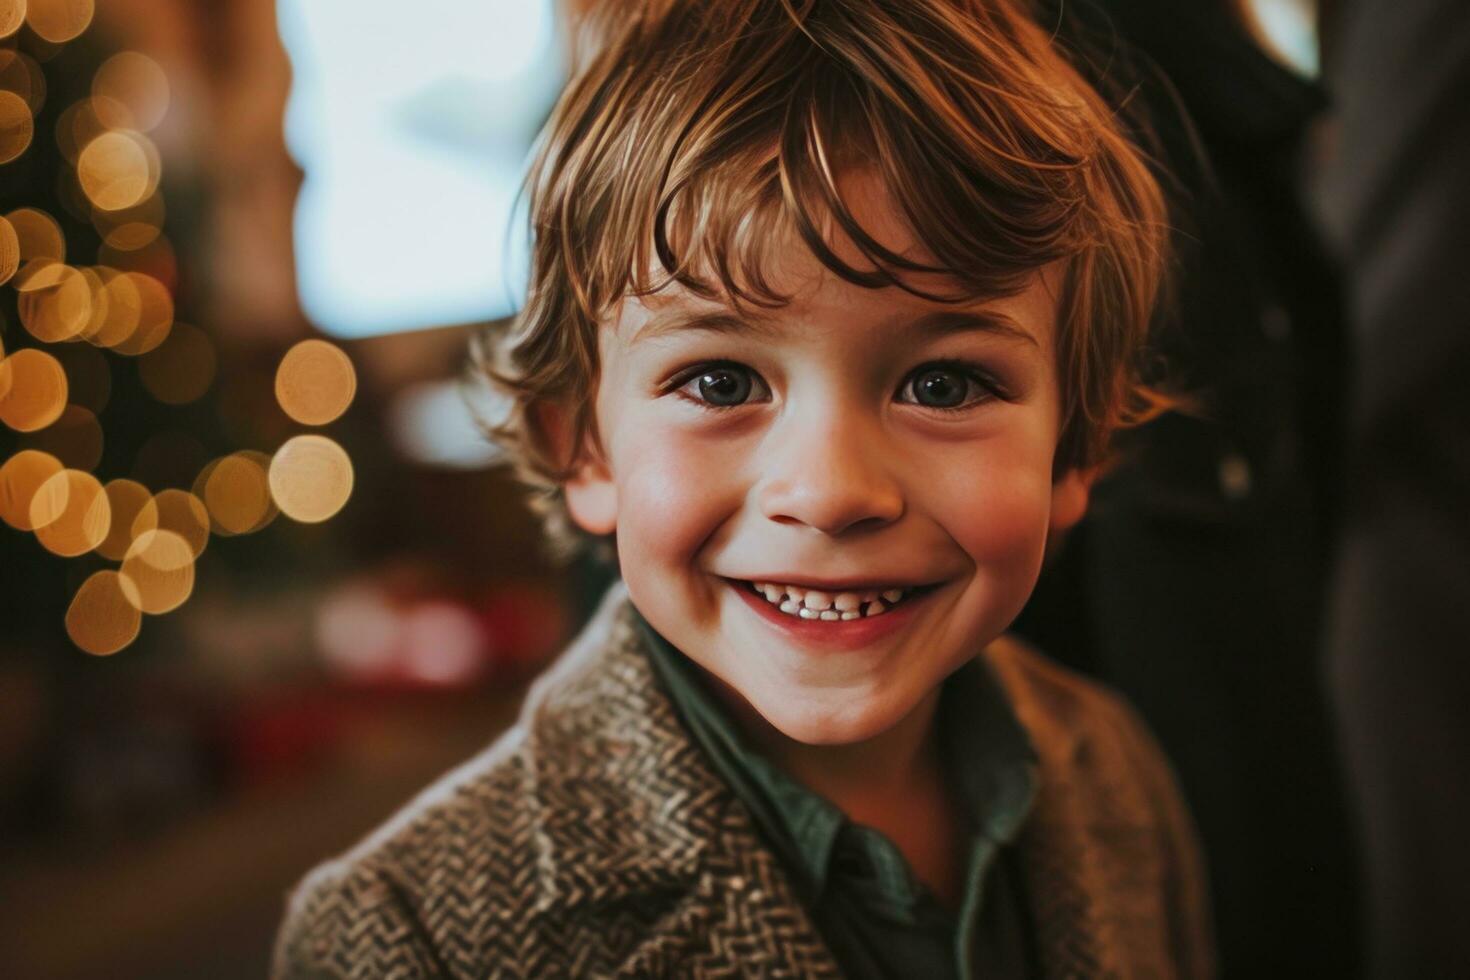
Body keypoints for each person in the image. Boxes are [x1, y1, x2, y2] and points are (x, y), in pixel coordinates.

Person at [273, 1, 1214, 976]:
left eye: (943, 383)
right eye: (721, 382)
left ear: (1075, 446)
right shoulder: (405, 940)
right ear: (582, 445)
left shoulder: (1114, 770)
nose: (832, 490)